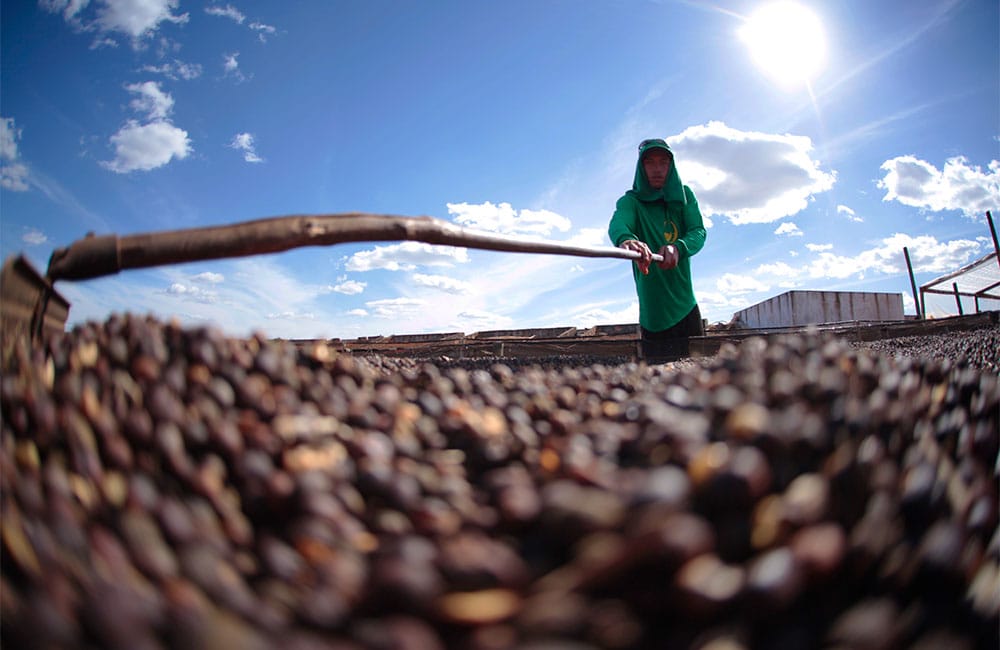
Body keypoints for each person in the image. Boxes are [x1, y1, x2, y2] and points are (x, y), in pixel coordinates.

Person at [608, 138, 707, 362]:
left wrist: (679, 247)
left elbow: (698, 231)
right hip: (653, 316)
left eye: (663, 162)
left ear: (671, 166)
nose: (657, 169)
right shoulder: (631, 201)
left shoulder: (684, 196)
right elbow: (619, 224)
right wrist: (627, 240)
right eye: (650, 163)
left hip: (686, 308)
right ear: (641, 168)